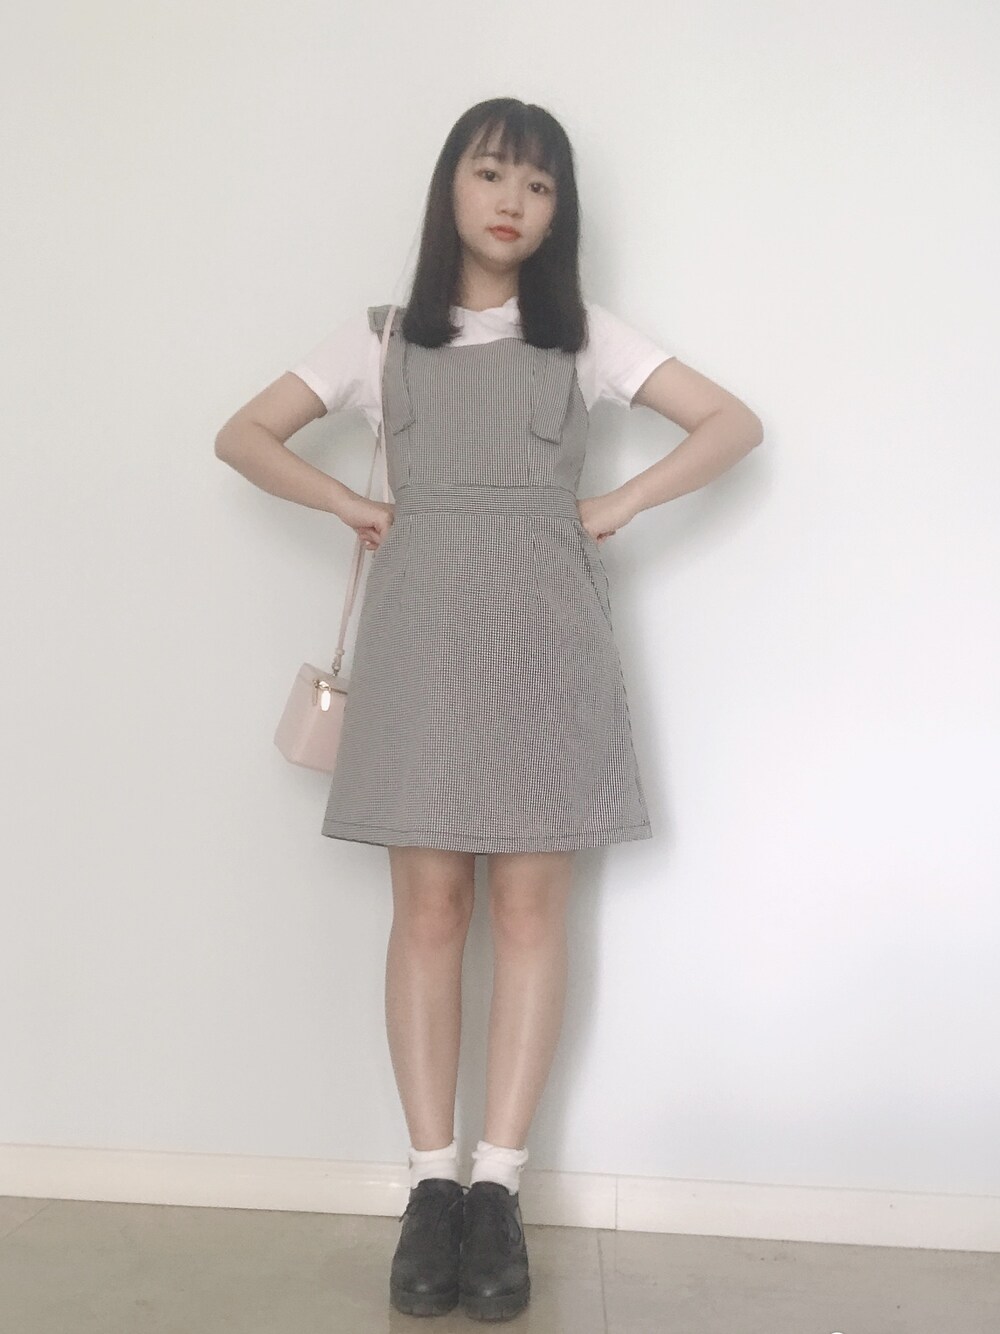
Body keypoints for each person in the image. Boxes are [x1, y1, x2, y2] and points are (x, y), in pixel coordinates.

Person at [215, 96, 763, 1322]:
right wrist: (348, 503)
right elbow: (240, 435)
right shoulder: (380, 340)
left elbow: (732, 423)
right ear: (449, 188)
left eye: (540, 184)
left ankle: (497, 1188)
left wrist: (616, 505)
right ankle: (429, 1187)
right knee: (428, 909)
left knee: (526, 909)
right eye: (492, 173)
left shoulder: (585, 337)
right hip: (420, 644)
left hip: (544, 645)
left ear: (560, 211)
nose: (514, 201)